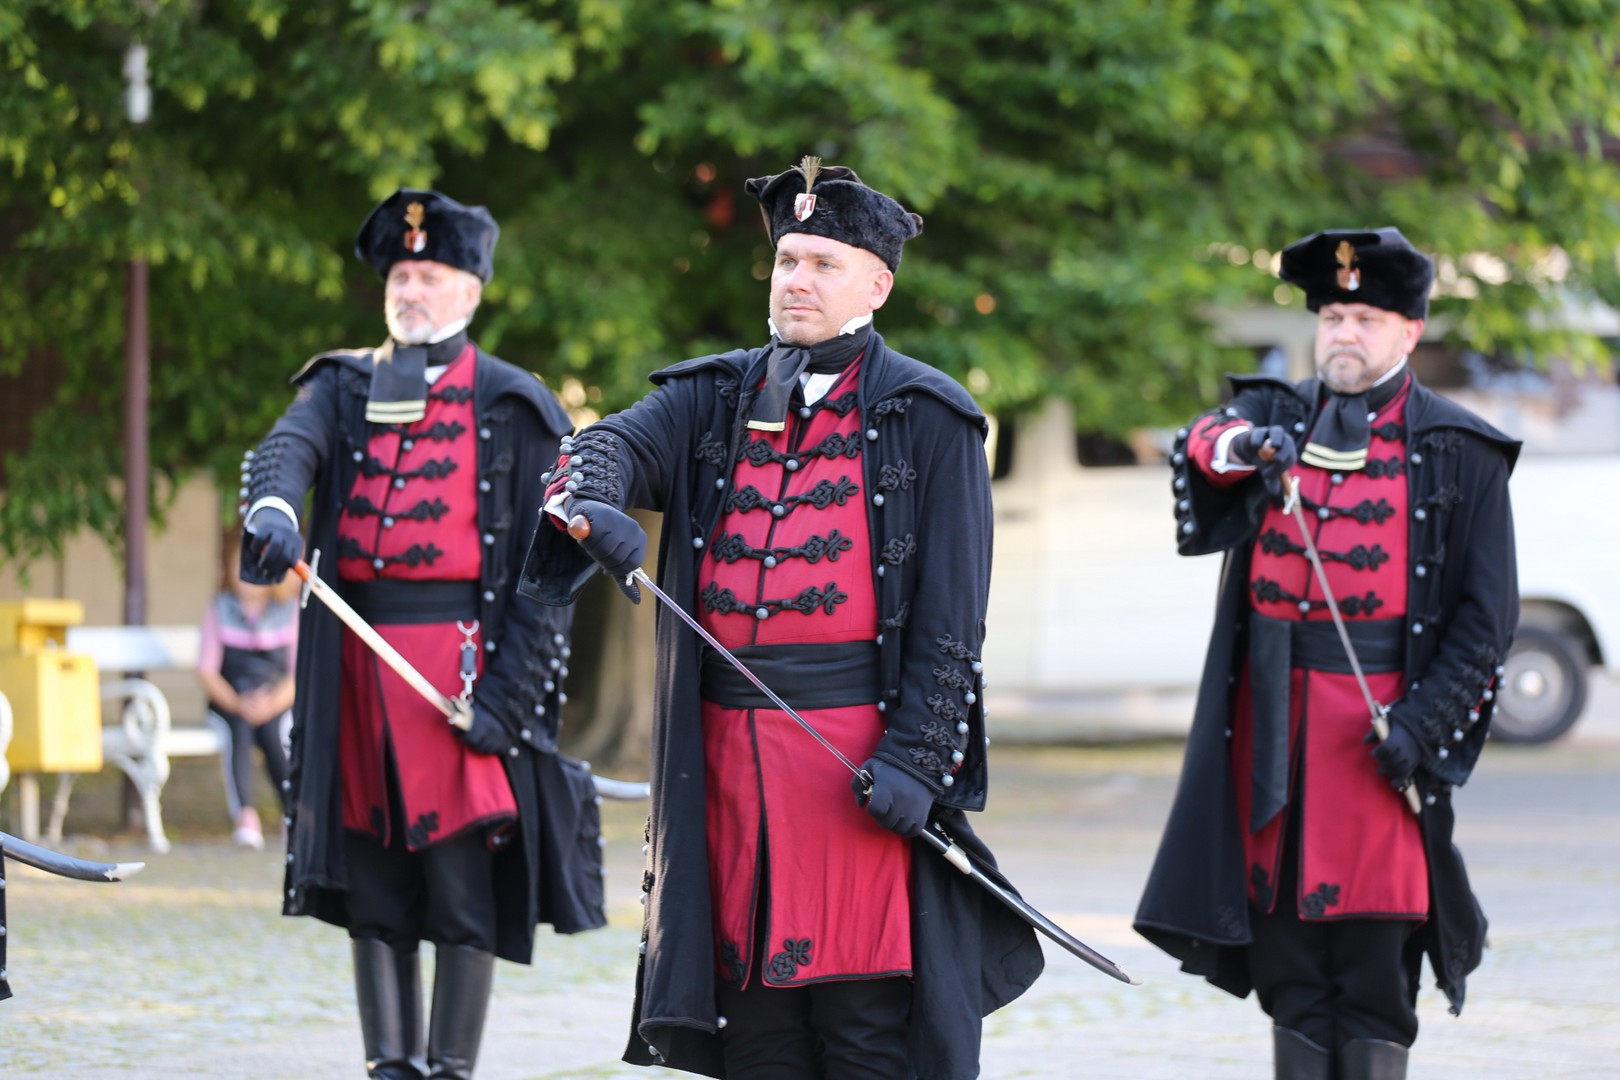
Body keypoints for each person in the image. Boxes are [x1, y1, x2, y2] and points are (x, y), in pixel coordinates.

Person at [519, 158, 1043, 1079]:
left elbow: (956, 624)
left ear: (876, 285)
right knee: (755, 1037)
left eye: (822, 264)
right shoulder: (708, 395)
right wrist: (594, 501)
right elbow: (603, 444)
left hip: (857, 781)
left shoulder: (932, 416)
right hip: (724, 778)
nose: (795, 279)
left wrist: (918, 764)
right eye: (786, 260)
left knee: (866, 1034)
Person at [1134, 228, 1520, 1079]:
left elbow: (1488, 621)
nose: (1345, 333)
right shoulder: (1273, 415)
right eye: (1334, 316)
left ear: (1409, 332)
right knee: (1291, 969)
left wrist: (1422, 729)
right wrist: (1244, 452)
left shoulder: (1462, 451)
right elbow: (1206, 439)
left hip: (1381, 744)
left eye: (1367, 318)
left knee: (1376, 972)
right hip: (1274, 742)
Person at [238, 188, 606, 1079]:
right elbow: (285, 451)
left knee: (458, 884)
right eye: (401, 274)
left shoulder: (517, 404)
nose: (411, 289)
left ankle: (450, 1069)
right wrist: (278, 507)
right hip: (359, 666)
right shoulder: (340, 384)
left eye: (430, 275)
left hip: (457, 672)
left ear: (470, 293)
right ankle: (388, 1066)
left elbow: (546, 579)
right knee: (374, 881)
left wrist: (509, 703)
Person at [196, 539, 297, 850]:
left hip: (274, 701)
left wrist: (270, 705)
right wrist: (238, 703)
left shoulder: (288, 611)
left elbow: (296, 676)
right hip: (230, 700)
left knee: (274, 731)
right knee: (238, 728)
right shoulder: (218, 610)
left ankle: (291, 812)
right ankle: (245, 816)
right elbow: (207, 672)